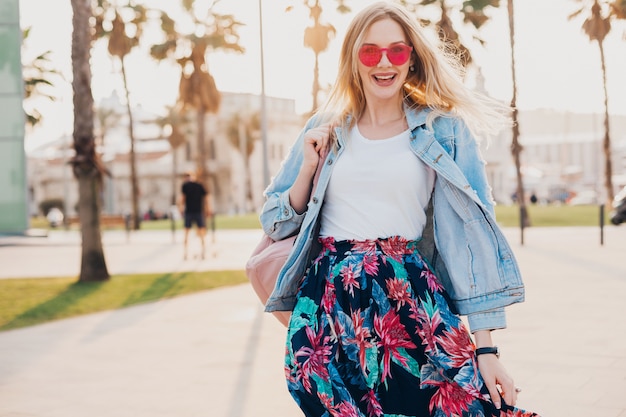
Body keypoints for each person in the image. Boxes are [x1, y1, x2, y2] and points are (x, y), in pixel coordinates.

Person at [259, 2, 540, 416]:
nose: (384, 62)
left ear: (412, 57)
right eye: (370, 52)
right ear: (354, 59)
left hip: (409, 294)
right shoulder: (326, 125)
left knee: (464, 405)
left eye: (397, 51)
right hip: (329, 306)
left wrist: (487, 349)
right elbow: (274, 219)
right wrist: (307, 169)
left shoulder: (444, 129)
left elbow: (471, 242)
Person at [179, 171, 211, 260]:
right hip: (193, 212)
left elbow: (182, 199)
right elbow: (207, 198)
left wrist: (180, 208)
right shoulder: (197, 185)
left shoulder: (190, 185)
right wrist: (208, 209)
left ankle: (202, 252)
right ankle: (188, 253)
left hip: (195, 212)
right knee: (189, 232)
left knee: (197, 232)